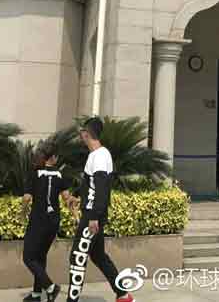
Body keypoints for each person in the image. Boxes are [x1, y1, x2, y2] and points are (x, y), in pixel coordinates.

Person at [66, 117, 134, 302]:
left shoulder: (101, 156)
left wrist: (94, 217)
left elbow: (102, 188)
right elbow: (91, 185)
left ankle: (72, 300)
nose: (80, 136)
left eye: (82, 132)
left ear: (86, 134)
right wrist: (76, 195)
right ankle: (123, 294)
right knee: (98, 256)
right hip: (92, 213)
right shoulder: (95, 156)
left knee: (77, 257)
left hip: (92, 215)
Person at [22, 141, 71, 302]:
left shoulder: (35, 173)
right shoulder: (60, 174)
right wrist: (75, 205)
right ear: (54, 158)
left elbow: (27, 198)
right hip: (53, 221)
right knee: (40, 256)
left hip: (38, 220)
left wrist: (22, 212)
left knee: (28, 258)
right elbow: (66, 198)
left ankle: (50, 287)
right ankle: (36, 295)